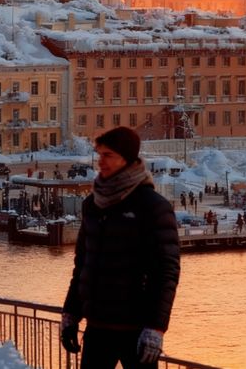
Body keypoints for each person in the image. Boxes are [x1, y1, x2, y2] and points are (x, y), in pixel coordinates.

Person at [61, 126, 180, 368]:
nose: (100, 162)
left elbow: (166, 272)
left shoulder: (153, 207)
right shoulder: (92, 205)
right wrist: (71, 314)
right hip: (97, 327)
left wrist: (156, 328)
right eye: (99, 154)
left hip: (137, 331)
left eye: (108, 155)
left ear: (127, 159)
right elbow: (83, 264)